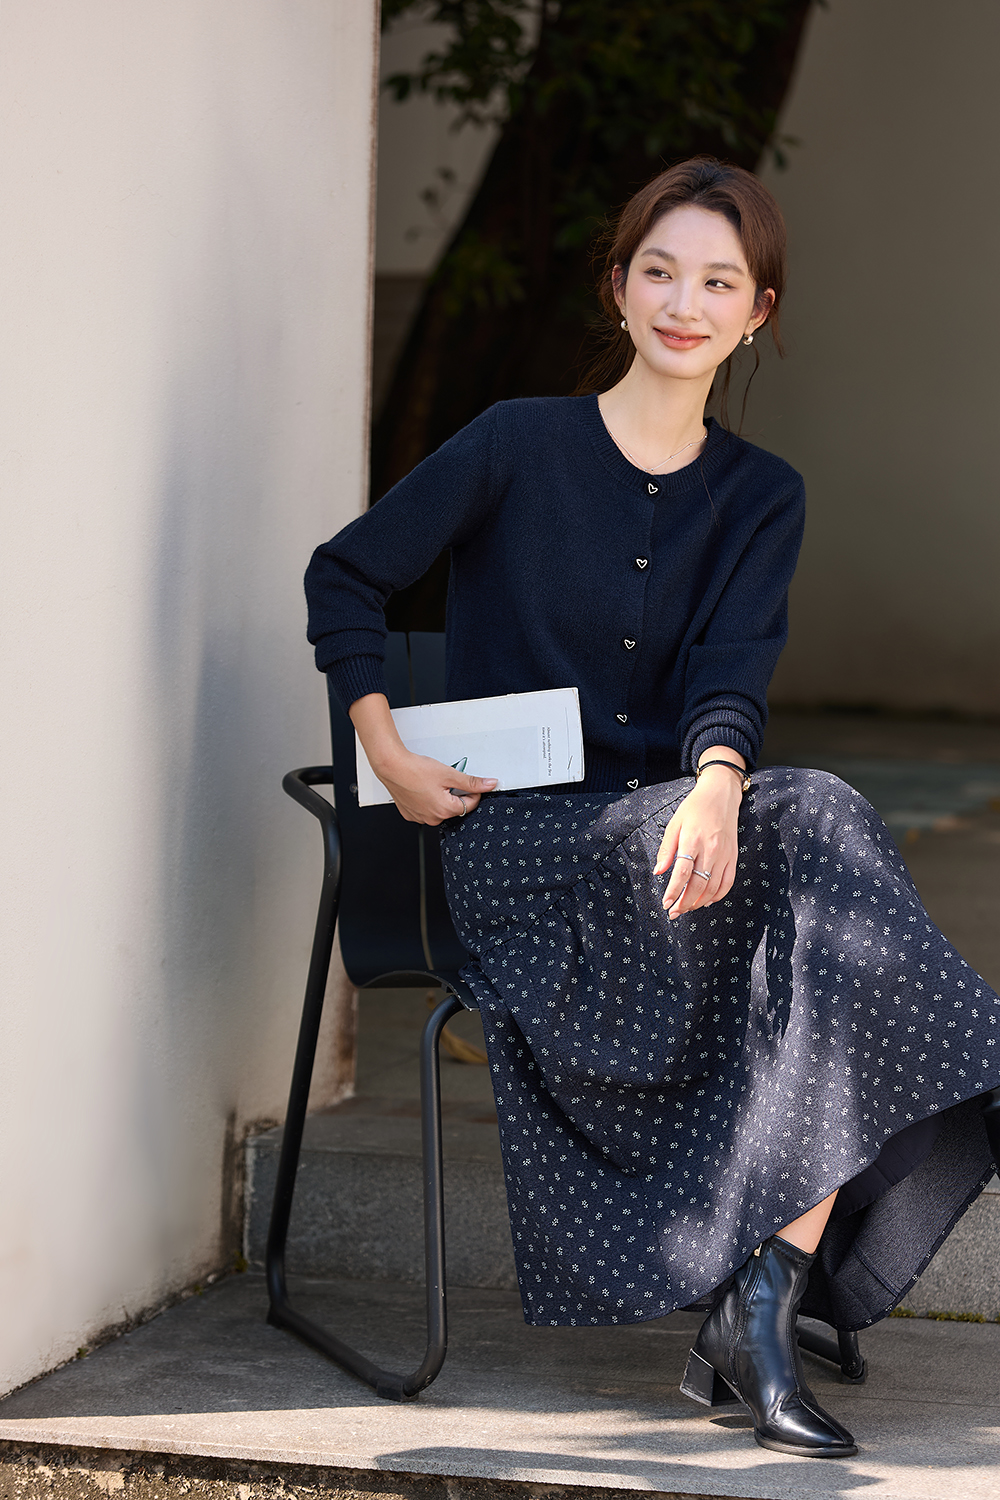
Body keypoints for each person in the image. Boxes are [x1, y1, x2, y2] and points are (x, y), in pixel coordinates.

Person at [305, 157, 1000, 1460]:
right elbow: (350, 579)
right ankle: (776, 1301)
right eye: (660, 271)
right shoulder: (514, 443)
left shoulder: (759, 497)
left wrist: (722, 784)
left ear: (759, 312)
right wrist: (385, 750)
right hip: (521, 850)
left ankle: (763, 1299)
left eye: (719, 282)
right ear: (618, 288)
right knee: (828, 869)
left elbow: (731, 673)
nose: (686, 301)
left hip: (675, 843)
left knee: (822, 861)